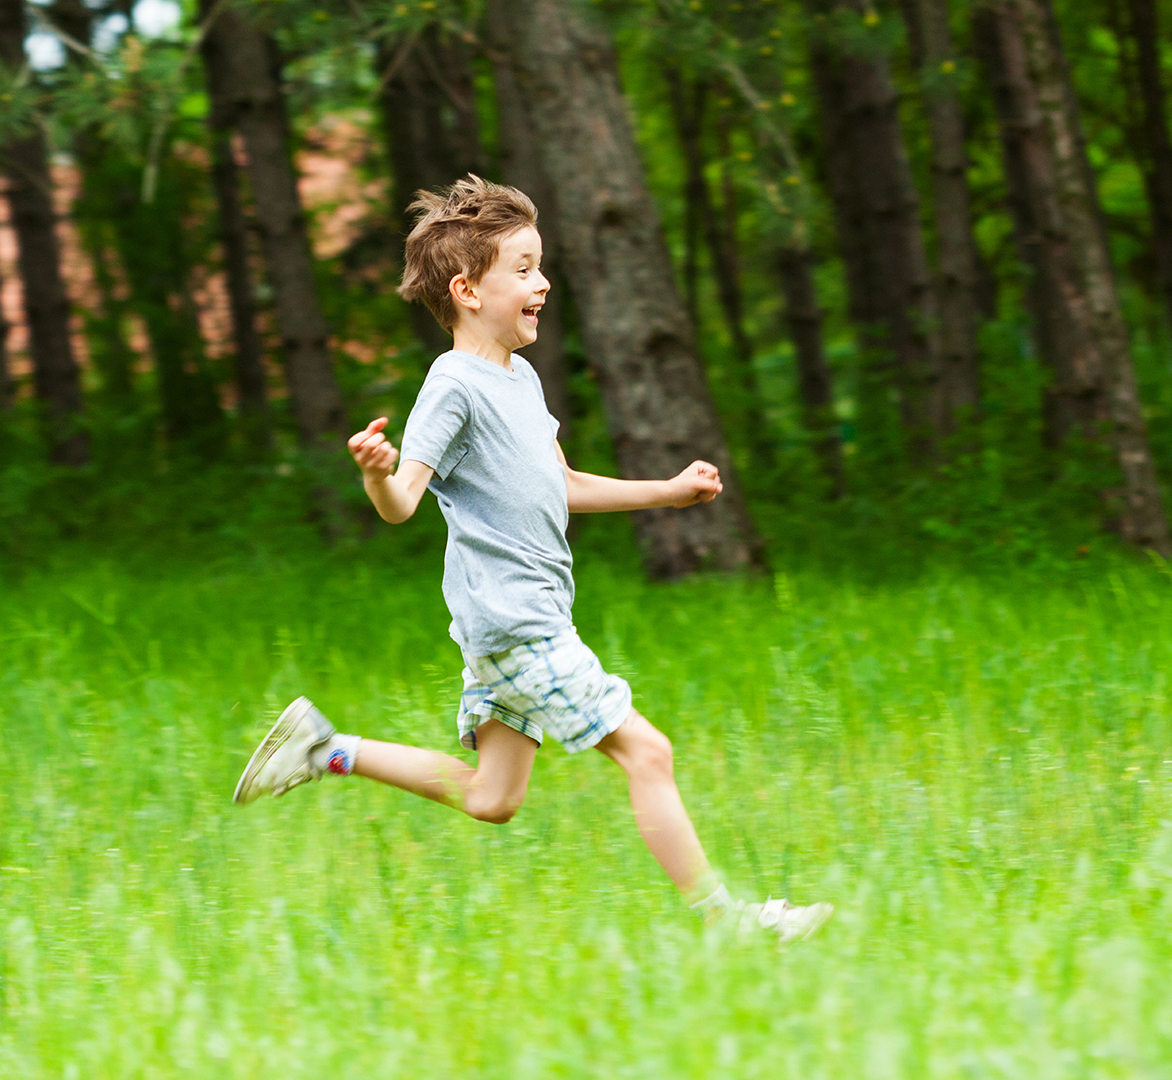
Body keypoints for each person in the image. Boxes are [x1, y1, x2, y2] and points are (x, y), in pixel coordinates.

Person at [233, 175, 831, 943]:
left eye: (538, 265)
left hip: (517, 619)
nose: (542, 281)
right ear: (468, 289)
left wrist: (669, 492)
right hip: (517, 623)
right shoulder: (453, 386)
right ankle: (728, 922)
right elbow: (403, 504)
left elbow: (565, 482)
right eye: (522, 268)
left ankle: (327, 749)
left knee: (493, 797)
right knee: (648, 751)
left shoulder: (520, 379)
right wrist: (377, 473)